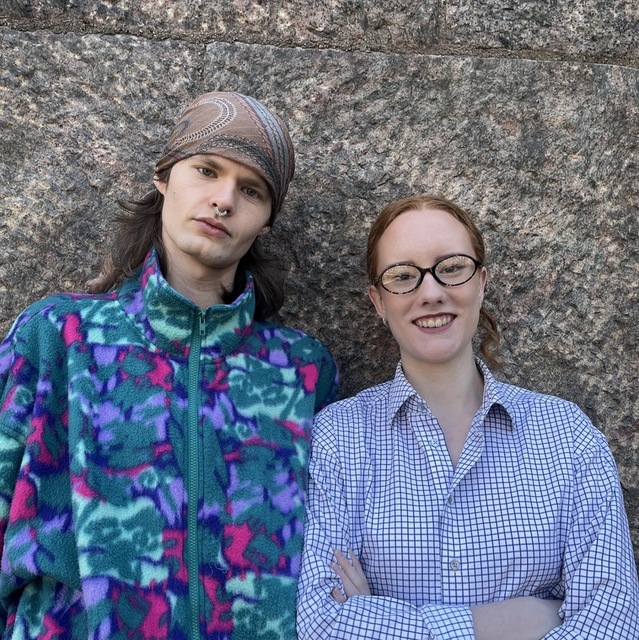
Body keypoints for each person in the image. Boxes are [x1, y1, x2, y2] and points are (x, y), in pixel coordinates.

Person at [0, 91, 338, 639]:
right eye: (207, 170)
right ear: (163, 177)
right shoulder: (58, 335)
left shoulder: (301, 371)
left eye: (251, 190)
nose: (223, 200)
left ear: (265, 222)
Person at [296, 194, 639, 639]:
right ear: (378, 301)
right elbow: (323, 624)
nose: (431, 293)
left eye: (453, 267)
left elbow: (612, 625)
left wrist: (377, 618)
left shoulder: (567, 435)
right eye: (403, 276)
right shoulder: (339, 437)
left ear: (481, 281)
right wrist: (515, 621)